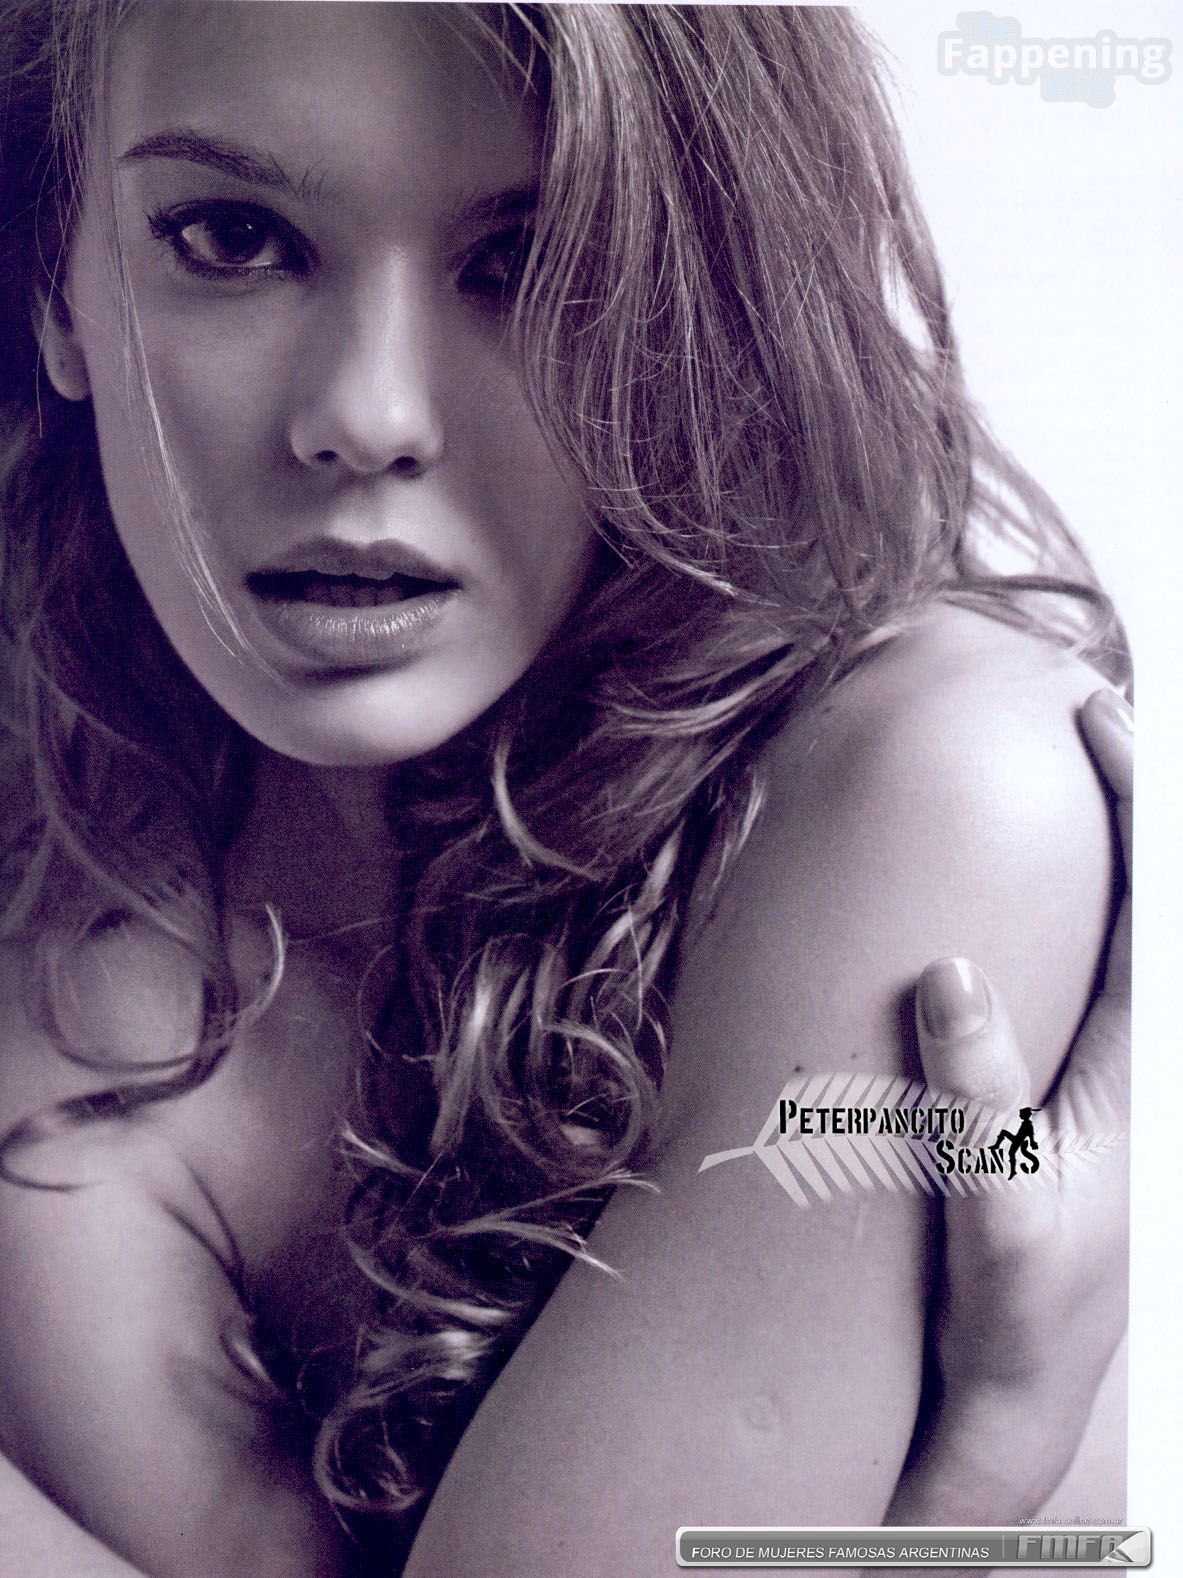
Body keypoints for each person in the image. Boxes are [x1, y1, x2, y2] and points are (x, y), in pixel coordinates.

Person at [0, 4, 1131, 1575]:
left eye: (532, 261)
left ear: (715, 305)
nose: (366, 417)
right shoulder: (65, 978)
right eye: (233, 238)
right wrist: (965, 1488)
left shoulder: (935, 787)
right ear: (54, 279)